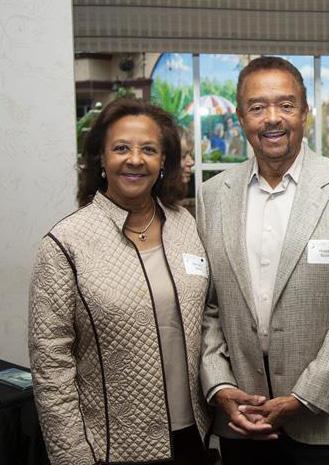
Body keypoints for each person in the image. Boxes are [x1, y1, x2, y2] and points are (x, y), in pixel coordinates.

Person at [197, 56, 329, 465]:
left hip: (328, 422)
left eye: (285, 105)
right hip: (243, 416)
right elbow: (207, 307)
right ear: (240, 117)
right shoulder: (213, 197)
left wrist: (304, 396)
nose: (272, 119)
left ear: (305, 112)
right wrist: (220, 385)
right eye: (257, 107)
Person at [28, 98, 211, 465]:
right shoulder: (66, 243)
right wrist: (73, 457)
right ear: (101, 157)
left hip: (196, 435)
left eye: (149, 149)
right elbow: (51, 367)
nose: (135, 159)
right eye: (121, 148)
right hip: (111, 448)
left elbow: (208, 319)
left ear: (163, 160)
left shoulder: (186, 226)